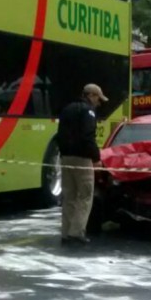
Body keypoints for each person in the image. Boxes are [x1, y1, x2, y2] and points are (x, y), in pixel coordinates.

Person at [57, 83, 108, 244]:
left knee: (69, 196)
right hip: (82, 158)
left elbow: (59, 135)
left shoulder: (67, 109)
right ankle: (77, 232)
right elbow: (88, 137)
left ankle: (66, 233)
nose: (98, 103)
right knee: (85, 195)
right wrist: (96, 158)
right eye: (98, 99)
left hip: (65, 157)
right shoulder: (88, 111)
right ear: (91, 95)